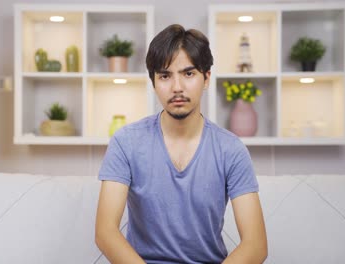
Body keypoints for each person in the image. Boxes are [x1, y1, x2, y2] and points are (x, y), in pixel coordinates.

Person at [95, 24, 267, 263]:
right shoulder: (126, 143)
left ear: (206, 78)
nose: (177, 87)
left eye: (188, 74)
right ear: (154, 82)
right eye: (165, 76)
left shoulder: (231, 149)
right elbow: (105, 232)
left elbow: (255, 245)